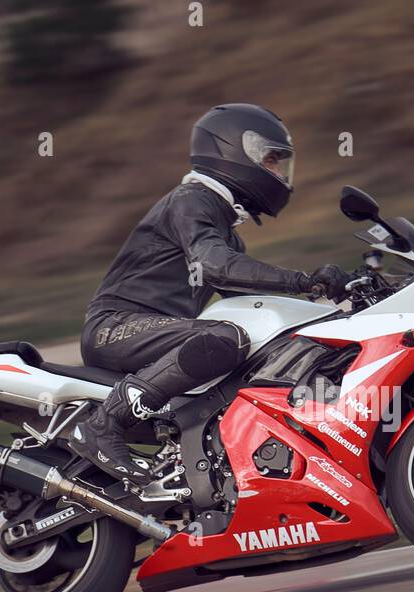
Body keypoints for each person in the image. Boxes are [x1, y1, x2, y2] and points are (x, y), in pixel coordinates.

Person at [70, 103, 349, 483]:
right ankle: (103, 425)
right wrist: (303, 280)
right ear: (234, 151)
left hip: (151, 331)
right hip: (115, 328)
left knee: (261, 347)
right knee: (224, 338)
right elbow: (218, 265)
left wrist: (339, 298)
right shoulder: (191, 201)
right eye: (270, 161)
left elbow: (241, 285)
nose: (278, 173)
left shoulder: (222, 227)